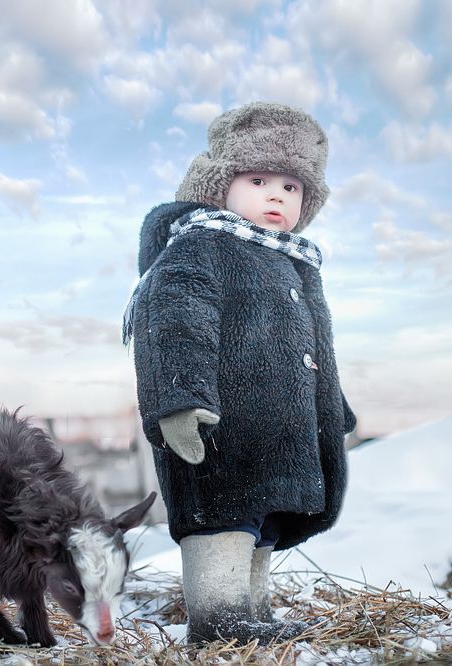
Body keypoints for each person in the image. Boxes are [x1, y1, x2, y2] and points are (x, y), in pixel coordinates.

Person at [122, 102, 357, 644]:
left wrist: (333, 406)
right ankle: (218, 618)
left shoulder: (296, 263)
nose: (277, 195)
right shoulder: (200, 245)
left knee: (264, 525)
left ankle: (253, 610)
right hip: (221, 430)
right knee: (224, 520)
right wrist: (181, 400)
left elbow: (316, 348)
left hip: (279, 436)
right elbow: (178, 320)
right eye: (258, 179)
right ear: (219, 184)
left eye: (292, 187)